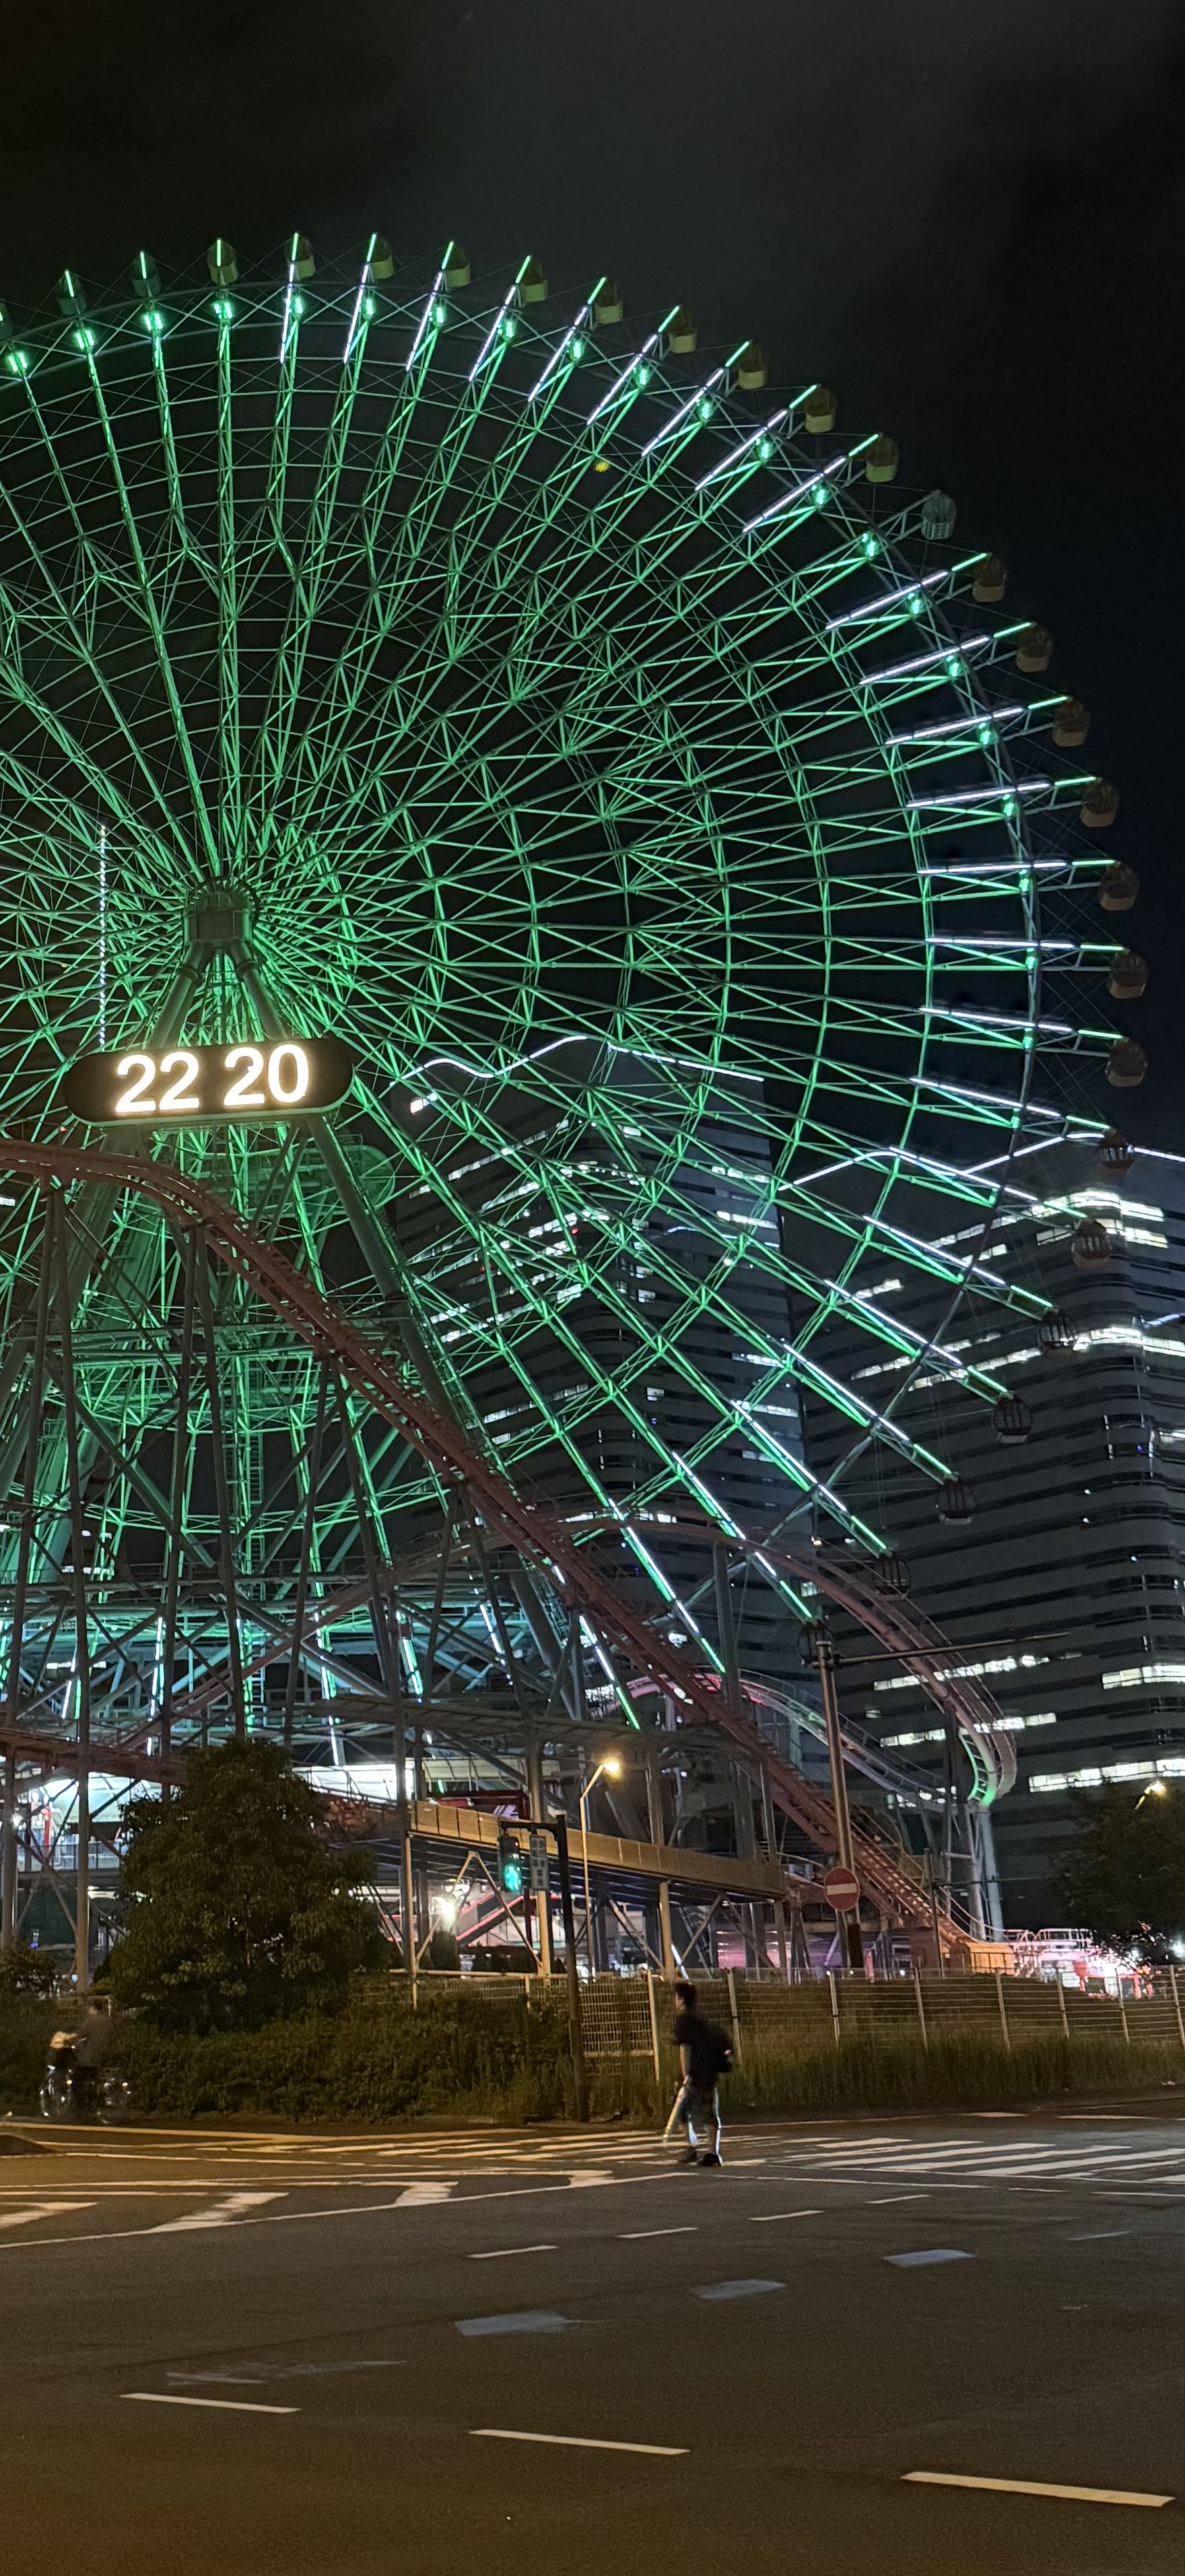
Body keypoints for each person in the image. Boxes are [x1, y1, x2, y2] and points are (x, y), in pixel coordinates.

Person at [662, 1979, 731, 2166]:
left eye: (676, 1997)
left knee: (681, 2109)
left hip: (694, 2072)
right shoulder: (700, 2019)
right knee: (709, 2110)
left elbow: (685, 2049)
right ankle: (712, 2152)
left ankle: (692, 2146)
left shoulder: (684, 2021)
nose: (674, 2001)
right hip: (708, 2071)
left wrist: (686, 2076)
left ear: (682, 1999)